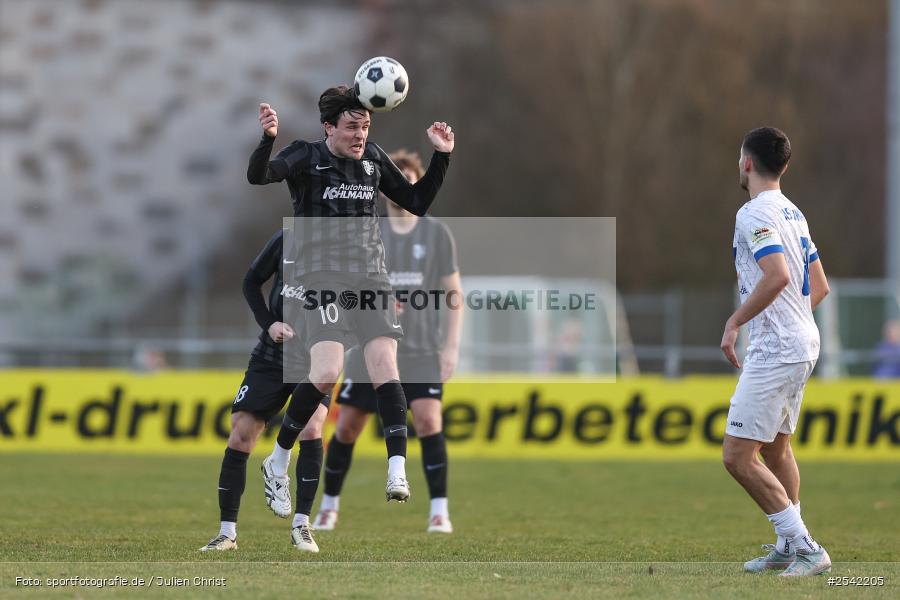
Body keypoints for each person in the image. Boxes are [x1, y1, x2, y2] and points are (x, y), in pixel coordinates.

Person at [247, 88, 454, 512]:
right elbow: (259, 176)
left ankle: (397, 467)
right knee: (327, 371)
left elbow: (416, 200)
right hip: (322, 278)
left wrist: (442, 156)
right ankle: (279, 457)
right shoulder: (305, 156)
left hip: (372, 278)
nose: (360, 136)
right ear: (329, 126)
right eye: (352, 128)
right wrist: (268, 138)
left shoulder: (373, 159)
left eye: (365, 127)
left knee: (385, 366)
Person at [299, 149, 463, 534]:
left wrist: (451, 348)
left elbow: (454, 293)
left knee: (428, 420)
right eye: (395, 181)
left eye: (407, 179)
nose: (397, 189)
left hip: (422, 349)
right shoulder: (367, 228)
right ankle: (329, 506)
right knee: (347, 427)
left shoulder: (436, 233)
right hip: (369, 345)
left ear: (415, 181)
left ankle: (439, 510)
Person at [720, 127, 831, 576]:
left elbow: (778, 275)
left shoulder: (753, 213)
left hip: (778, 349)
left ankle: (806, 546)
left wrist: (736, 321)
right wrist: (792, 321)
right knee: (777, 449)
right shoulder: (794, 213)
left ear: (747, 162)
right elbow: (818, 285)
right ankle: (787, 546)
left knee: (736, 456)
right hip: (802, 342)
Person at [199, 230, 329, 553]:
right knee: (241, 433)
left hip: (317, 356)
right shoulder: (287, 238)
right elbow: (250, 283)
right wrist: (269, 323)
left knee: (312, 428)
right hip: (272, 354)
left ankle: (302, 526)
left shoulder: (349, 248)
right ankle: (227, 533)